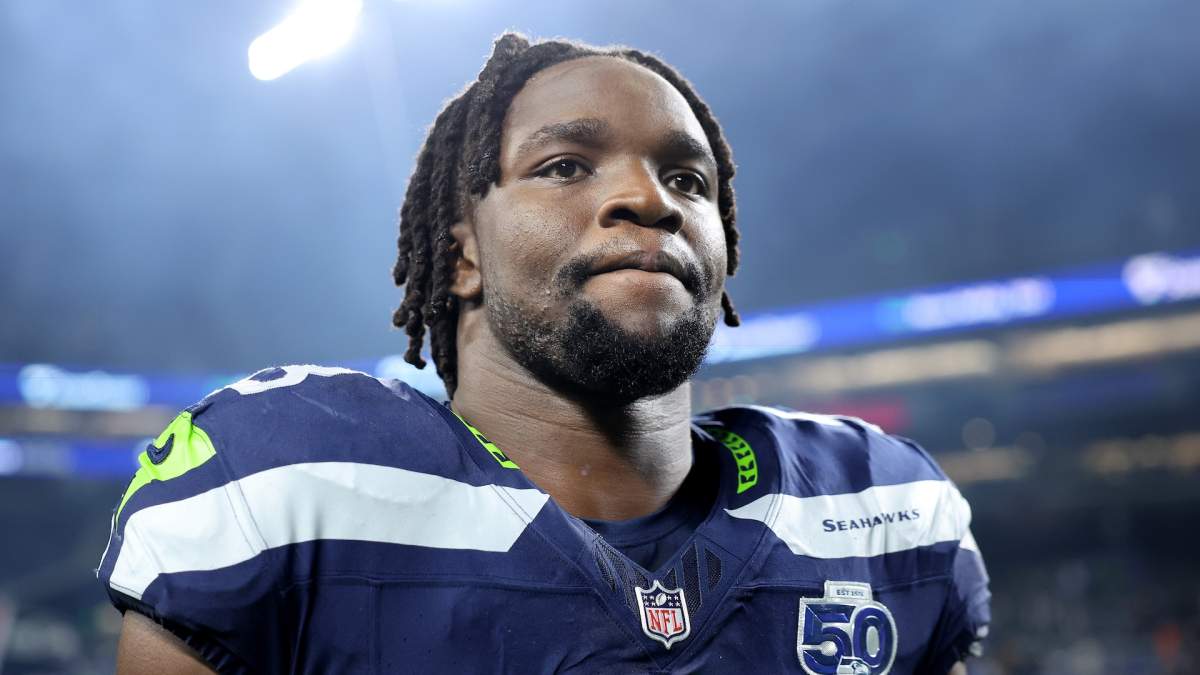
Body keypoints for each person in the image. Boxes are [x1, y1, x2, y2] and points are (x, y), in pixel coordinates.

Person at [100, 33, 989, 674]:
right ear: (461, 256)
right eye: (566, 165)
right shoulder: (288, 478)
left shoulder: (880, 507)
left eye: (688, 179)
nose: (649, 199)